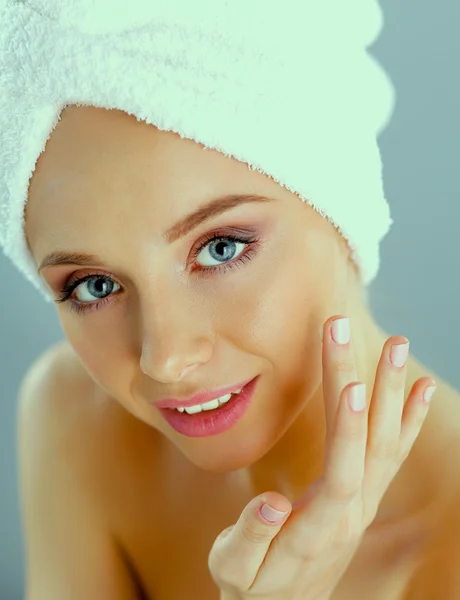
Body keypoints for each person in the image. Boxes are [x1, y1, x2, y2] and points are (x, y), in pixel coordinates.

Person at [17, 104, 460, 599]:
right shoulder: (77, 419)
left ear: (340, 205)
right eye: (95, 286)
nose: (165, 360)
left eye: (220, 248)